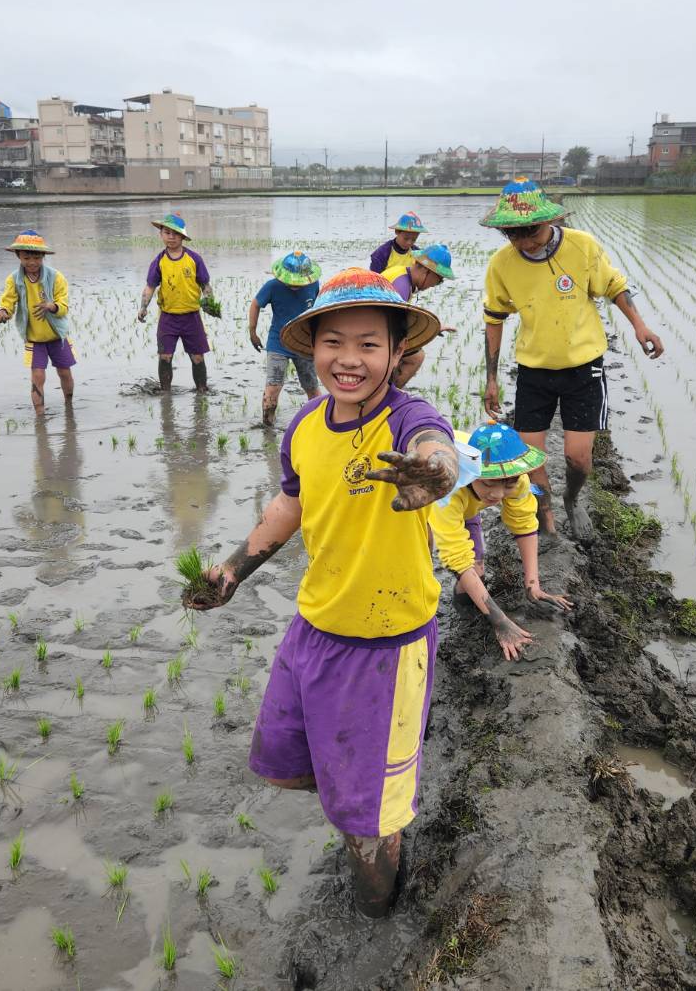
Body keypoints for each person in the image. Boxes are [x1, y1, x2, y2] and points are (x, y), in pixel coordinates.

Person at [187, 267, 458, 919]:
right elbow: (291, 504)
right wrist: (231, 570)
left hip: (386, 647)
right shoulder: (306, 425)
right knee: (292, 764)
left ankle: (377, 917)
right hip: (316, 627)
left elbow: (438, 451)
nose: (349, 358)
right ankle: (367, 814)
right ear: (312, 348)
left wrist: (431, 475)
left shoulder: (408, 419)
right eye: (334, 342)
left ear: (399, 355)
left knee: (368, 816)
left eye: (369, 344)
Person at [480, 179, 665, 537]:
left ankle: (573, 498)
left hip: (584, 369)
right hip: (534, 371)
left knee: (578, 458)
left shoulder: (582, 247)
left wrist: (640, 326)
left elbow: (613, 286)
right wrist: (491, 379)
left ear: (549, 221)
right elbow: (494, 318)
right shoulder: (501, 264)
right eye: (511, 234)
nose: (522, 241)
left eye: (529, 231)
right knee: (529, 458)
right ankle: (547, 516)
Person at [429, 422, 573, 660]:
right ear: (471, 471)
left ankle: (467, 617)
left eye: (508, 485)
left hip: (467, 504)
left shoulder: (515, 478)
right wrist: (501, 622)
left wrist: (533, 585)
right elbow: (456, 557)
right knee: (426, 564)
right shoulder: (448, 486)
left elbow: (524, 524)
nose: (497, 494)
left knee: (477, 570)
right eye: (488, 483)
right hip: (420, 503)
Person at [0, 229, 75, 411]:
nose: (32, 262)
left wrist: (51, 306)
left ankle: (69, 407)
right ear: (18, 256)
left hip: (57, 335)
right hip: (34, 337)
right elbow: (8, 302)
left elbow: (64, 305)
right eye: (27, 258)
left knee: (64, 372)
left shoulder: (56, 277)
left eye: (37, 258)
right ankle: (39, 416)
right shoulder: (14, 279)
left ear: (43, 257)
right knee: (37, 376)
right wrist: (3, 312)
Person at [137, 213, 215, 392]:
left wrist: (210, 302)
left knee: (197, 357)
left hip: (191, 317)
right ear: (161, 235)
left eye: (175, 233)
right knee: (165, 357)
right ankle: (166, 394)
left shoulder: (194, 259)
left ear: (182, 236)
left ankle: (202, 393)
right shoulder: (159, 261)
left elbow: (205, 285)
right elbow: (150, 287)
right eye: (167, 233)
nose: (171, 237)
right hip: (168, 318)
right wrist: (143, 307)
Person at [248, 251, 322, 427]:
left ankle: (319, 423)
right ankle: (267, 425)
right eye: (290, 281)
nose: (294, 285)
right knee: (273, 386)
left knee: (311, 386)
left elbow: (319, 310)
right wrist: (252, 332)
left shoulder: (313, 285)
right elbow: (256, 304)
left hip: (304, 343)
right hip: (278, 342)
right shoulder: (273, 286)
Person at [381, 243, 455, 389]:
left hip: (376, 331)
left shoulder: (401, 273)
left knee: (411, 352)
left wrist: (433, 328)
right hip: (376, 336)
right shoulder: (401, 287)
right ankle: (386, 394)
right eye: (439, 280)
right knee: (416, 357)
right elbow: (392, 329)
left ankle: (387, 390)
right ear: (428, 271)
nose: (436, 284)